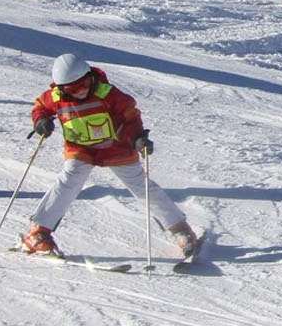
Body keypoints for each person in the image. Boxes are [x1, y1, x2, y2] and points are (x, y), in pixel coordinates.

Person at [23, 54, 197, 258]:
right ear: (62, 88)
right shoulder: (56, 97)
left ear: (90, 77)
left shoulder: (107, 93)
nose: (81, 91)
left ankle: (180, 229)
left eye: (85, 83)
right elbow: (40, 107)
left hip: (115, 146)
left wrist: (139, 138)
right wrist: (41, 120)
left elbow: (130, 116)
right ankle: (38, 232)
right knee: (69, 179)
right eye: (72, 89)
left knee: (140, 185)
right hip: (81, 148)